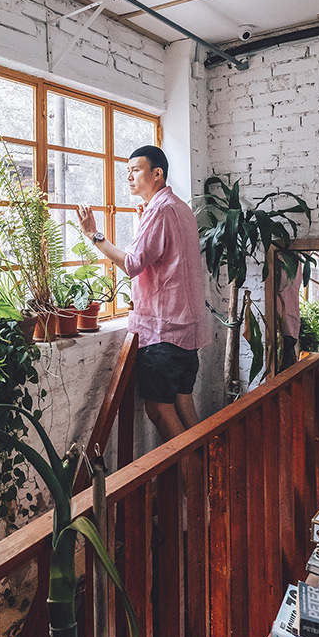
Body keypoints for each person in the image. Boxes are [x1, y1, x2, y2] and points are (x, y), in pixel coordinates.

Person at [77, 145, 211, 441]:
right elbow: (167, 257)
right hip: (187, 332)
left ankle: (193, 486)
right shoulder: (178, 207)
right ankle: (208, 483)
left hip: (164, 332)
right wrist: (144, 219)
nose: (129, 177)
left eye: (136, 170)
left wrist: (94, 235)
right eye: (127, 171)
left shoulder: (160, 211)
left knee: (160, 412)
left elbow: (133, 263)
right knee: (185, 407)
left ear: (157, 173)